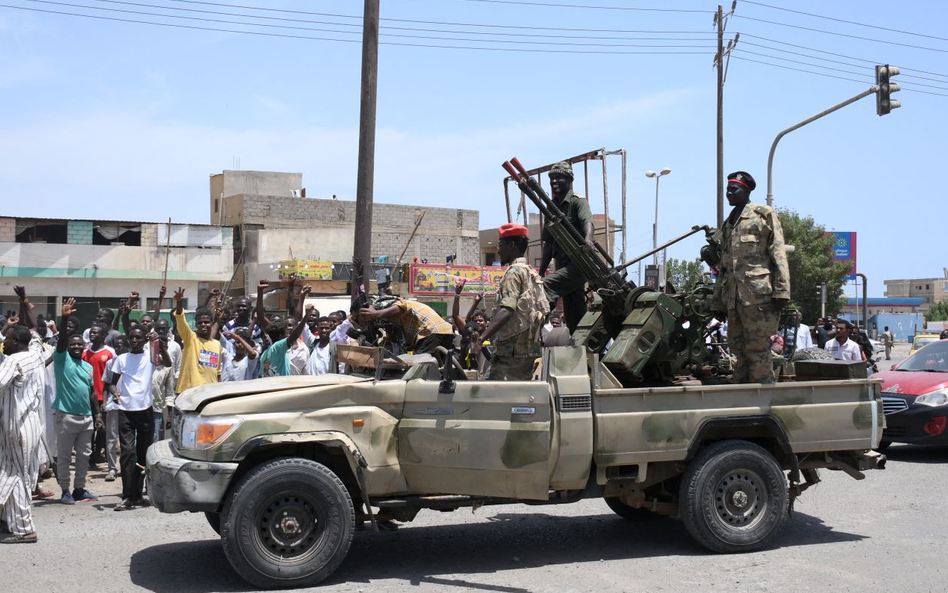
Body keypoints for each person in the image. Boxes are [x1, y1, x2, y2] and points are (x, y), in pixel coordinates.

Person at [710, 171, 790, 384]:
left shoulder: (763, 215)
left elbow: (778, 254)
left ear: (746, 191)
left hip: (758, 297)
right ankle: (742, 396)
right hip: (735, 299)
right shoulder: (729, 223)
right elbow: (725, 266)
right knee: (738, 349)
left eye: (733, 189)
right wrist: (719, 300)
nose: (729, 193)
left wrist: (782, 290)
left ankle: (762, 398)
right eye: (727, 189)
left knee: (758, 349)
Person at [0, 286, 47, 543]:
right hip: (30, 427)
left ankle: (23, 530)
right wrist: (24, 302)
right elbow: (36, 333)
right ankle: (11, 522)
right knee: (15, 473)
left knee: (14, 476)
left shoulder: (13, 361)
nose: (3, 342)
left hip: (15, 428)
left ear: (15, 342)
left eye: (6, 339)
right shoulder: (36, 354)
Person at [108, 326, 171, 511]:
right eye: (132, 337)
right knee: (128, 453)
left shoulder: (150, 357)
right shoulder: (121, 359)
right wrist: (115, 393)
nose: (134, 340)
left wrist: (159, 345)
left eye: (138, 338)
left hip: (145, 410)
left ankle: (137, 494)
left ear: (144, 340)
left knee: (143, 454)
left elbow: (167, 363)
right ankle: (127, 495)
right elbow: (112, 384)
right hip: (126, 410)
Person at [477, 223, 550, 380]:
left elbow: (507, 309)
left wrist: (481, 338)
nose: (498, 250)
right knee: (518, 395)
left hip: (511, 352)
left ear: (511, 245)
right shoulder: (530, 272)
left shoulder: (514, 273)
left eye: (500, 245)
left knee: (491, 395)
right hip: (528, 350)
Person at [52, 299, 101, 504]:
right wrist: (64, 319)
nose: (76, 346)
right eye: (73, 344)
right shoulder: (62, 359)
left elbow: (91, 392)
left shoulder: (87, 366)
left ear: (84, 345)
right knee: (64, 457)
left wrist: (97, 413)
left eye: (79, 344)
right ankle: (65, 491)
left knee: (84, 456)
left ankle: (79, 489)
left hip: (86, 418)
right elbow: (62, 340)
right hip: (66, 416)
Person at [539, 161, 595, 334]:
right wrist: (540, 272)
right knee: (575, 315)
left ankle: (535, 325)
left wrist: (588, 240)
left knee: (544, 287)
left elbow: (588, 222)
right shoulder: (551, 206)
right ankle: (581, 348)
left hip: (579, 264)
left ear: (570, 180)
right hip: (564, 265)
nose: (554, 181)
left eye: (558, 178)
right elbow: (548, 243)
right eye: (551, 178)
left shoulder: (578, 202)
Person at [356, 298, 455, 355]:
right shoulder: (388, 320)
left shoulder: (381, 305)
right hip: (445, 331)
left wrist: (377, 314)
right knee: (437, 369)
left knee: (420, 370)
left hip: (432, 331)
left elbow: (404, 305)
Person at [172, 287, 221, 394]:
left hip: (209, 394)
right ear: (196, 324)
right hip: (188, 392)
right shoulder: (190, 338)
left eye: (206, 322)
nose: (203, 325)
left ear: (211, 323)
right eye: (200, 323)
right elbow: (180, 318)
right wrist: (179, 302)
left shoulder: (217, 345)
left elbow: (217, 373)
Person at [257, 281, 311, 377]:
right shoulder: (278, 347)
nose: (288, 331)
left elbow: (261, 317)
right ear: (282, 335)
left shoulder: (268, 350)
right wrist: (306, 317)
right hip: (280, 388)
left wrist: (260, 292)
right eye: (286, 330)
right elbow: (294, 335)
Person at [100, 334, 128, 481]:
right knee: (111, 438)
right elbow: (106, 383)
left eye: (121, 345)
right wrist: (104, 402)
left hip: (130, 406)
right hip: (113, 405)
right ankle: (112, 468)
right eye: (116, 346)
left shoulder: (131, 361)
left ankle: (126, 466)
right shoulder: (111, 363)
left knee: (128, 440)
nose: (119, 348)